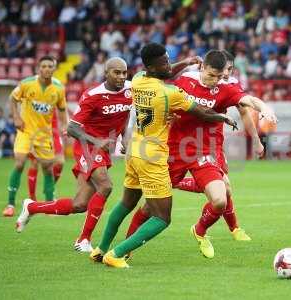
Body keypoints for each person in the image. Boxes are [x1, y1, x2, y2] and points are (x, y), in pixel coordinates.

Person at [89, 43, 238, 268]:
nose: (169, 65)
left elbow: (165, 72)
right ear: (153, 66)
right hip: (153, 156)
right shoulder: (170, 93)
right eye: (165, 62)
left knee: (126, 203)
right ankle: (116, 254)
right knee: (162, 218)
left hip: (135, 150)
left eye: (169, 60)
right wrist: (223, 118)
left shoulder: (138, 79)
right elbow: (202, 113)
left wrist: (185, 63)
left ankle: (100, 249)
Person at [125, 50, 276, 259]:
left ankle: (199, 230)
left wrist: (264, 108)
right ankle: (126, 246)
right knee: (151, 207)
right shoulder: (185, 80)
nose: (215, 81)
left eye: (220, 76)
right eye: (211, 75)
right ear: (202, 67)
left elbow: (249, 100)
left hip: (203, 152)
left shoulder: (226, 88)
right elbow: (164, 101)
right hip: (173, 149)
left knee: (221, 199)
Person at [15, 57, 131, 252]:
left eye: (124, 73)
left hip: (102, 149)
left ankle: (32, 207)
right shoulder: (93, 95)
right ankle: (83, 240)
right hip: (88, 145)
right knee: (106, 185)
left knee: (79, 204)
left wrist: (124, 138)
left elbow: (125, 114)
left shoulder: (130, 90)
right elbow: (72, 128)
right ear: (106, 73)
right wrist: (97, 142)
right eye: (116, 72)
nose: (121, 77)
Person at [2, 56, 68, 217]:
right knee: (19, 163)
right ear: (39, 68)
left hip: (44, 135)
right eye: (43, 66)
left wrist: (64, 126)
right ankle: (10, 204)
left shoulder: (58, 89)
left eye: (50, 66)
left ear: (54, 68)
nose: (46, 69)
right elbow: (12, 98)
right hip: (26, 131)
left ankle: (49, 203)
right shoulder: (27, 83)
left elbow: (62, 109)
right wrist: (16, 118)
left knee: (47, 167)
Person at [26, 113, 65, 201]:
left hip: (53, 132)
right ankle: (32, 198)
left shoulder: (56, 98)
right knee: (34, 163)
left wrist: (64, 124)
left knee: (60, 163)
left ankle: (48, 189)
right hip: (37, 132)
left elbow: (63, 108)